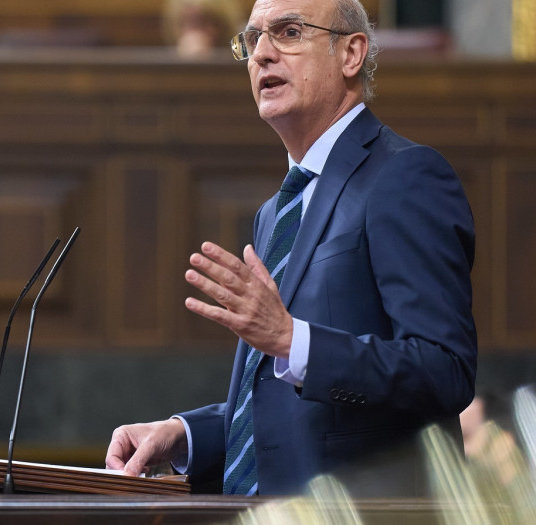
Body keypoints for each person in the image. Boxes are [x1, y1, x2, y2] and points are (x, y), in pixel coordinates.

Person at [105, 0, 477, 497]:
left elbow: (443, 371)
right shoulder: (275, 211)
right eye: (253, 39)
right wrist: (184, 434)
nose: (261, 55)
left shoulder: (404, 177)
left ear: (351, 53)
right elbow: (292, 415)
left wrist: (290, 339)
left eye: (287, 32)